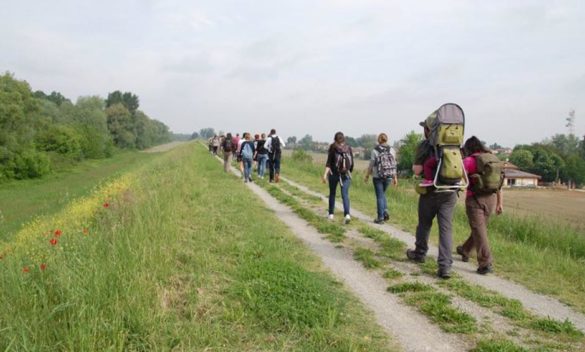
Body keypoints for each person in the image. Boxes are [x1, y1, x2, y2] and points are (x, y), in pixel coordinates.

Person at [406, 119, 458, 279]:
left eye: (425, 128)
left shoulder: (425, 145)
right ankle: (445, 266)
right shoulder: (455, 145)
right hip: (450, 192)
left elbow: (416, 170)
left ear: (429, 130)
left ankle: (420, 253)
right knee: (445, 229)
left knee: (424, 223)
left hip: (430, 191)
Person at [456, 136, 504, 275]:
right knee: (479, 229)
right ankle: (465, 250)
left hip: (474, 199)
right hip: (491, 198)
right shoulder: (492, 159)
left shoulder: (468, 161)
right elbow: (499, 184)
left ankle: (485, 263)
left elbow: (458, 177)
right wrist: (500, 203)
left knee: (479, 230)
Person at [364, 133, 398, 224]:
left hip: (377, 176)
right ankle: (385, 211)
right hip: (389, 176)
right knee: (382, 194)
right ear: (386, 140)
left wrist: (367, 175)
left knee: (379, 196)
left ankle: (380, 217)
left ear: (379, 140)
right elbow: (394, 164)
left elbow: (371, 165)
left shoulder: (375, 150)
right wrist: (395, 177)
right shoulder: (392, 150)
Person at [322, 132, 354, 224]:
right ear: (343, 138)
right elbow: (352, 164)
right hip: (345, 175)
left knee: (332, 193)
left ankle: (331, 214)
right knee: (345, 195)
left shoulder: (333, 147)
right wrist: (348, 171)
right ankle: (347, 215)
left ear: (335, 139)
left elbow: (328, 163)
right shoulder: (348, 148)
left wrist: (325, 175)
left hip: (334, 174)